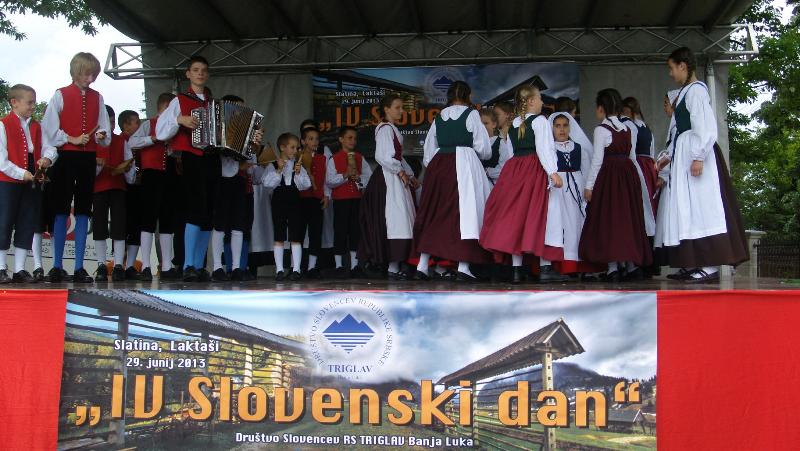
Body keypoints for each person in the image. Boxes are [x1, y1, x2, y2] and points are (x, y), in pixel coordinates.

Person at [654, 47, 749, 282]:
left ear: (683, 66)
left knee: (702, 207)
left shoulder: (696, 91)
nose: (670, 73)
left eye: (672, 68)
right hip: (687, 154)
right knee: (688, 209)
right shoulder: (686, 92)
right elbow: (680, 132)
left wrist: (698, 157)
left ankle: (710, 265)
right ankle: (694, 261)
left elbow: (705, 127)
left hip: (698, 156)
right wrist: (671, 157)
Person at [480, 85, 566, 284]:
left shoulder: (514, 124)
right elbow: (544, 149)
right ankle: (545, 267)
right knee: (544, 215)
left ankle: (516, 270)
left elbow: (511, 153)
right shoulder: (540, 121)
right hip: (535, 170)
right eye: (539, 98)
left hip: (515, 172)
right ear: (531, 101)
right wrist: (552, 172)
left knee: (517, 218)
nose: (542, 102)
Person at [42, 52, 111, 283]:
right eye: (86, 74)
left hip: (87, 158)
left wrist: (101, 135)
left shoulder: (98, 97)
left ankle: (80, 266)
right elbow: (49, 130)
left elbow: (104, 129)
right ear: (75, 72)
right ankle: (57, 266)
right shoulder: (60, 95)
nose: (90, 79)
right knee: (60, 209)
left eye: (93, 75)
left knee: (83, 210)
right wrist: (71, 138)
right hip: (64, 157)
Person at [413, 81, 493, 282]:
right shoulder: (471, 114)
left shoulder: (440, 116)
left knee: (435, 212)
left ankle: (422, 265)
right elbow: (484, 148)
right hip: (464, 166)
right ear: (468, 95)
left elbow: (428, 151)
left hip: (439, 167)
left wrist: (438, 163)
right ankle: (463, 266)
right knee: (465, 214)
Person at [578, 88, 652, 282]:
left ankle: (612, 267)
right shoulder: (629, 129)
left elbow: (597, 160)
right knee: (628, 219)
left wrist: (589, 186)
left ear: (600, 108)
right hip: (628, 176)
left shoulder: (601, 130)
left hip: (609, 178)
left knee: (609, 220)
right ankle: (631, 265)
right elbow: (632, 157)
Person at [156, 55, 218, 282]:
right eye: (196, 69)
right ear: (188, 74)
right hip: (192, 158)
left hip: (212, 159)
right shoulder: (179, 101)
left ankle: (199, 265)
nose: (200, 73)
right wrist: (179, 120)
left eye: (203, 70)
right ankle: (188, 264)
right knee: (195, 209)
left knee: (208, 213)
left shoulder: (214, 104)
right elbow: (161, 130)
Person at [357, 93, 418, 279]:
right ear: (386, 109)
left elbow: (398, 157)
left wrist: (409, 174)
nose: (401, 111)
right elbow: (383, 156)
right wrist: (400, 172)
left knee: (401, 218)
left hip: (394, 177)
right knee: (395, 218)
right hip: (387, 179)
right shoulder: (385, 129)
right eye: (397, 108)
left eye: (401, 108)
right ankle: (392, 265)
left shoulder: (391, 129)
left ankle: (395, 265)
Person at [0, 84, 56, 283]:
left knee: (27, 222)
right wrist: (21, 173)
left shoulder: (37, 126)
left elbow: (50, 148)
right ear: (14, 102)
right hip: (8, 180)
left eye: (34, 102)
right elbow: (1, 161)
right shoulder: (3, 125)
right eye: (29, 102)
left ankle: (20, 269)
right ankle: (0, 267)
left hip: (33, 177)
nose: (33, 106)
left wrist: (47, 159)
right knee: (4, 221)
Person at [209, 94, 262, 282]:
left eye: (243, 110)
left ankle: (237, 267)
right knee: (220, 224)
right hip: (222, 180)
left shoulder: (247, 131)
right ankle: (217, 267)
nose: (240, 113)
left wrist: (255, 146)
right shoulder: (216, 127)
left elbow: (252, 157)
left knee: (239, 225)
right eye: (237, 109)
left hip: (239, 181)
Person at [128, 92, 179, 281]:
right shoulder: (149, 124)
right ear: (162, 107)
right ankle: (146, 266)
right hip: (151, 175)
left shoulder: (176, 127)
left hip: (170, 174)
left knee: (167, 219)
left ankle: (166, 265)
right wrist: (153, 139)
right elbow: (132, 142)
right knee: (148, 219)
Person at [92, 106, 136, 282]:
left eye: (111, 122)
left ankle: (118, 265)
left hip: (118, 187)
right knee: (99, 226)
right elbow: (89, 172)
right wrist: (97, 166)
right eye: (106, 122)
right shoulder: (93, 142)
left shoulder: (120, 141)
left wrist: (126, 168)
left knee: (119, 226)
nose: (110, 126)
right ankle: (101, 264)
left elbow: (129, 167)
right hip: (99, 188)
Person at [262, 133, 310, 281]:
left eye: (297, 148)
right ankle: (279, 270)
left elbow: (306, 185)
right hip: (279, 201)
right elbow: (267, 183)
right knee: (279, 235)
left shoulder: (298, 166)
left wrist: (298, 173)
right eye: (292, 147)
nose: (295, 151)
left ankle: (296, 269)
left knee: (295, 235)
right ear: (282, 147)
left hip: (295, 200)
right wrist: (278, 170)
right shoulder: (273, 164)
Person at [326, 126, 372, 278]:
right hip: (341, 201)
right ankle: (338, 265)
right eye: (349, 138)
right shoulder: (334, 159)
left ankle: (354, 266)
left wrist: (359, 178)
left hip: (356, 200)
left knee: (355, 231)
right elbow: (329, 181)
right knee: (340, 231)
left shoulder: (360, 157)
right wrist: (345, 175)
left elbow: (368, 176)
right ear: (341, 139)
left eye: (355, 138)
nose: (353, 141)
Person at [297, 126, 329, 279]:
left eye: (316, 139)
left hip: (317, 199)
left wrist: (326, 195)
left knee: (315, 233)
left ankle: (312, 267)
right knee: (298, 233)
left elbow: (326, 180)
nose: (314, 141)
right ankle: (297, 267)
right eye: (310, 139)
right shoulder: (297, 157)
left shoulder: (322, 158)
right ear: (303, 141)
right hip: (300, 199)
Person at [479, 107, 512, 185]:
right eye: (480, 124)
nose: (482, 126)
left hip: (495, 186)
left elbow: (504, 168)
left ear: (494, 124)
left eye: (486, 123)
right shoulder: (475, 144)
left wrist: (486, 171)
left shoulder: (501, 143)